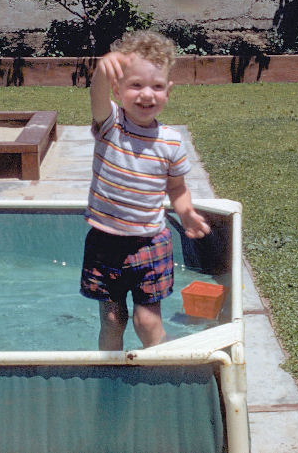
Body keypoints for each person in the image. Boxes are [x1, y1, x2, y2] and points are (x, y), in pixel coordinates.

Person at [80, 30, 211, 350]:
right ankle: (110, 377)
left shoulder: (170, 142)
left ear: (168, 90)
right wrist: (101, 70)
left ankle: (160, 366)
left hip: (149, 244)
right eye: (135, 85)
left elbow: (176, 188)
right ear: (118, 88)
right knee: (112, 320)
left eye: (156, 86)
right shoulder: (112, 124)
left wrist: (186, 212)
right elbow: (96, 98)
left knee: (147, 321)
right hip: (105, 242)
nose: (146, 95)